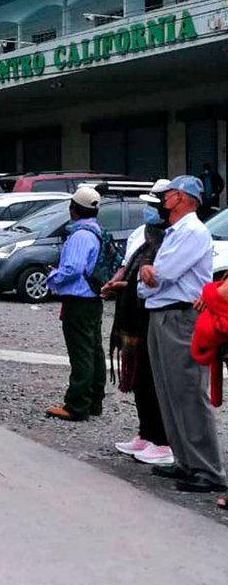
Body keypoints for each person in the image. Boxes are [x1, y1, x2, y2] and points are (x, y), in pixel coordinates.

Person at [139, 175, 226, 494]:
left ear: (186, 198)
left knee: (188, 390)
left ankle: (207, 468)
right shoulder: (175, 232)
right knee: (168, 389)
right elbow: (147, 278)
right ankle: (186, 459)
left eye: (172, 193)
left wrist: (150, 275)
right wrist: (148, 276)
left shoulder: (191, 231)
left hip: (179, 315)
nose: (166, 198)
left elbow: (163, 274)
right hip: (162, 311)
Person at [106, 181, 172, 465]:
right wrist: (117, 282)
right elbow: (129, 263)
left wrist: (128, 284)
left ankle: (163, 439)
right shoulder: (144, 233)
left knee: (155, 379)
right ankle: (146, 432)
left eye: (152, 206)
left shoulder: (172, 237)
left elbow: (156, 278)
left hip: (153, 314)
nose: (147, 210)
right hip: (133, 313)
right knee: (140, 378)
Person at [44, 187, 107, 422]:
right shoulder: (97, 231)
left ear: (74, 209)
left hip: (78, 300)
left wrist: (53, 277)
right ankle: (94, 401)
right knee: (94, 351)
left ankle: (76, 404)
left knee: (81, 353)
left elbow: (73, 269)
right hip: (93, 299)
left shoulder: (80, 235)